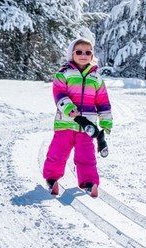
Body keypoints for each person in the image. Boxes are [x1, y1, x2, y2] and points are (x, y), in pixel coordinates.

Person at [42, 37, 113, 197]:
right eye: (79, 52)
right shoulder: (63, 73)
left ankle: (88, 182)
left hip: (86, 126)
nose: (83, 55)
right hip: (66, 122)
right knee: (57, 153)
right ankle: (51, 178)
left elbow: (102, 100)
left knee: (86, 156)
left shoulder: (96, 78)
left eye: (88, 52)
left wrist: (106, 120)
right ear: (71, 54)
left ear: (92, 55)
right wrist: (69, 108)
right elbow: (59, 93)